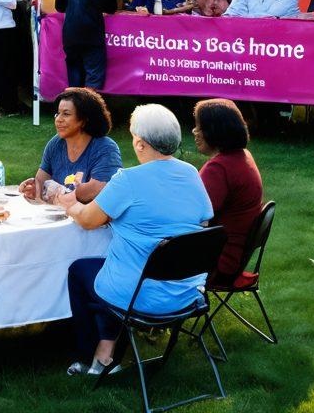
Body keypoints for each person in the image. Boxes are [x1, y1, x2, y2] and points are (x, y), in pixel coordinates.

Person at [59, 104, 213, 375]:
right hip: (187, 292)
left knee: (81, 271)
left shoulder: (128, 180)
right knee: (117, 266)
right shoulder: (190, 172)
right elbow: (203, 222)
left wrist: (67, 203)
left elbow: (87, 219)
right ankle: (107, 350)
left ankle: (87, 356)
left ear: (140, 144)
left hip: (142, 295)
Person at [193, 99, 264, 286]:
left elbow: (193, 216)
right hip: (235, 258)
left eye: (200, 127)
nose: (195, 132)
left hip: (218, 264)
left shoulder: (219, 168)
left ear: (215, 131)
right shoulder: (243, 156)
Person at [19, 88, 122, 204]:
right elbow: (41, 181)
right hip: (60, 213)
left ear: (84, 120)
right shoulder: (55, 144)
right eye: (57, 113)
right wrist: (34, 187)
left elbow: (97, 190)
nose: (58, 119)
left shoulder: (106, 148)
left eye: (66, 114)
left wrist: (60, 199)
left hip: (92, 218)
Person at [55, 0, 117, 91]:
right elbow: (110, 6)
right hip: (91, 33)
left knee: (74, 76)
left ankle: (73, 110)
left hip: (70, 34)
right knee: (93, 77)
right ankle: (89, 110)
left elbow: (59, 6)